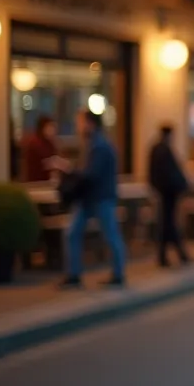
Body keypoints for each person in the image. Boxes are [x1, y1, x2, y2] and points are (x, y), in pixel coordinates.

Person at [48, 109, 129, 289]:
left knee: (109, 235)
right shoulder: (93, 144)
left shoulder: (99, 146)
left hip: (99, 198)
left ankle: (116, 274)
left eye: (81, 122)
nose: (78, 126)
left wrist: (68, 169)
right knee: (75, 233)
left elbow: (92, 174)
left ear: (90, 124)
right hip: (92, 199)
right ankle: (75, 274)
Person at [147, 124, 192, 267]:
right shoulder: (163, 150)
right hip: (168, 193)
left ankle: (169, 256)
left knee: (167, 223)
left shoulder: (158, 149)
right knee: (168, 223)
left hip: (165, 192)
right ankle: (177, 254)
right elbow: (168, 173)